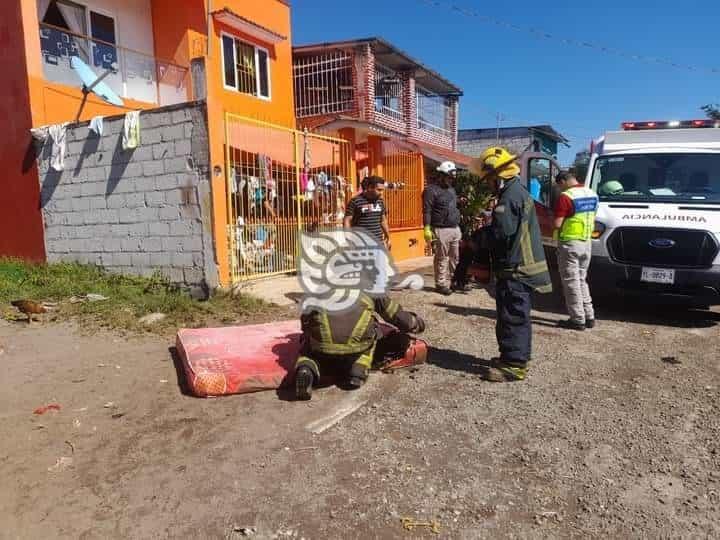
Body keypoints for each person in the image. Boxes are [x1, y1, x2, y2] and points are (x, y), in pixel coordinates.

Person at [470, 147, 552, 382]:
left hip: (516, 269)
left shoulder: (509, 196)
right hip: (518, 267)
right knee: (514, 314)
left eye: (489, 180)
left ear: (497, 176)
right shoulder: (518, 191)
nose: (488, 184)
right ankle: (512, 357)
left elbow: (501, 233)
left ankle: (514, 365)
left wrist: (478, 239)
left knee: (513, 316)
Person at [294, 294, 425, 400]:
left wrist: (310, 334)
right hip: (358, 346)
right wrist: (416, 324)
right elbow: (394, 314)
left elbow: (305, 320)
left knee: (309, 349)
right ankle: (358, 371)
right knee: (372, 333)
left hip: (322, 348)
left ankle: (307, 369)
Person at [553, 171, 599, 331]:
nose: (559, 189)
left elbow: (558, 224)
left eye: (559, 185)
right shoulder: (592, 194)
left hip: (570, 243)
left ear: (564, 181)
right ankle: (589, 316)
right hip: (586, 242)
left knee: (571, 282)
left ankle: (577, 320)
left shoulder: (567, 196)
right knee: (581, 279)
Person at [423, 161, 462, 295]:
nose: (451, 180)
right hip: (441, 229)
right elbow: (427, 210)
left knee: (455, 257)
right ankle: (440, 284)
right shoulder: (430, 190)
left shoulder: (451, 189)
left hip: (455, 228)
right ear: (441, 175)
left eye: (452, 178)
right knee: (442, 258)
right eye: (449, 177)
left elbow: (453, 206)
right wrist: (427, 227)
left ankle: (455, 281)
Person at [344, 176, 390, 249]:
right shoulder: (355, 201)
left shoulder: (380, 202)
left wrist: (388, 236)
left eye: (382, 190)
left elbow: (383, 220)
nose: (381, 193)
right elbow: (347, 220)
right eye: (379, 190)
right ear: (370, 187)